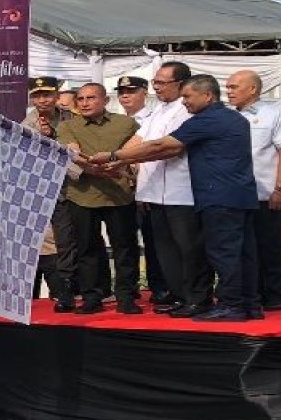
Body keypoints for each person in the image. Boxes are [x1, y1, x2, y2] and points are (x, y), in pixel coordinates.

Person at [96, 75, 259, 321]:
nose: (184, 102)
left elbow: (163, 146)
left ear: (207, 95)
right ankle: (249, 305)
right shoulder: (232, 117)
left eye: (188, 97)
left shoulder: (207, 119)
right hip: (238, 194)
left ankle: (232, 305)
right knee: (242, 252)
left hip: (218, 196)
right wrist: (122, 160)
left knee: (223, 252)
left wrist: (113, 156)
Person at [57, 83, 142, 315]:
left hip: (120, 196)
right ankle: (91, 297)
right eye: (81, 99)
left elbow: (136, 153)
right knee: (87, 249)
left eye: (91, 98)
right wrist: (94, 169)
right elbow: (72, 152)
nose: (84, 103)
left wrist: (124, 165)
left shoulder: (126, 123)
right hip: (82, 196)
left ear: (105, 100)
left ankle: (126, 296)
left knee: (125, 248)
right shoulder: (68, 126)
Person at [132, 62, 208, 317]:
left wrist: (115, 157)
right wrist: (116, 159)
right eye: (155, 82)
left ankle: (198, 298)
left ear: (181, 84)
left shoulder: (188, 111)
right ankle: (178, 296)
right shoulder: (156, 112)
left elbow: (166, 147)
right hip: (154, 193)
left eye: (163, 82)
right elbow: (138, 141)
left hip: (182, 193)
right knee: (165, 251)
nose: (157, 87)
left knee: (189, 249)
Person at [227, 70, 281, 311]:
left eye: (234, 87)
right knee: (243, 248)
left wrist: (280, 188)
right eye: (228, 87)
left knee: (270, 244)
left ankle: (276, 295)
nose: (229, 91)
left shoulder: (273, 114)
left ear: (253, 89)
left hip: (264, 192)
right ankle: (250, 293)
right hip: (234, 196)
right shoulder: (226, 117)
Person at [22, 75, 81, 311]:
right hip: (53, 191)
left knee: (88, 239)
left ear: (57, 96)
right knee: (64, 241)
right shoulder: (27, 125)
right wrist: (47, 139)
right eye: (37, 96)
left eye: (47, 94)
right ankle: (66, 291)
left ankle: (95, 288)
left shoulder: (72, 118)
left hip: (81, 186)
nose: (42, 100)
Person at [115, 73, 171, 307]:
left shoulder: (155, 117)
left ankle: (161, 288)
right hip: (122, 191)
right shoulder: (115, 121)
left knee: (155, 242)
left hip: (148, 187)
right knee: (126, 242)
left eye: (131, 91)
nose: (125, 96)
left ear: (143, 94)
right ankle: (131, 289)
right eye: (121, 92)